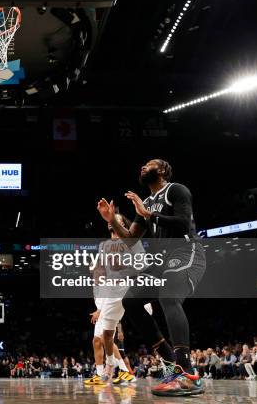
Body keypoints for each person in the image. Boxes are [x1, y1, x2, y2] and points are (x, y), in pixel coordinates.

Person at [97, 159, 206, 396]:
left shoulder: (176, 190)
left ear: (163, 170)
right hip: (162, 262)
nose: (143, 167)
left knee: (168, 295)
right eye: (142, 165)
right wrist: (112, 219)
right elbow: (130, 239)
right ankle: (171, 365)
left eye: (149, 165)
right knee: (131, 301)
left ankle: (188, 373)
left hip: (187, 252)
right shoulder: (145, 202)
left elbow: (183, 224)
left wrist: (149, 215)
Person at [84, 214, 140, 386]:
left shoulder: (129, 242)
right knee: (100, 338)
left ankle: (123, 371)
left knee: (105, 337)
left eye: (116, 220)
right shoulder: (105, 249)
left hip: (129, 292)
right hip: (112, 297)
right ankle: (107, 373)